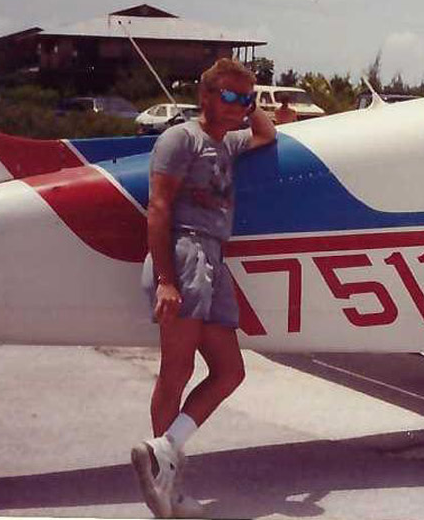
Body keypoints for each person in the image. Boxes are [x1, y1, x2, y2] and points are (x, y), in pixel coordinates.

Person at [130, 58, 277, 518]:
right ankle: (167, 489)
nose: (239, 106)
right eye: (229, 96)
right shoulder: (180, 138)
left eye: (246, 99)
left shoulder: (228, 142)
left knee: (230, 370)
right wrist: (167, 281)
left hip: (215, 256)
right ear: (205, 96)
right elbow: (157, 208)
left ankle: (163, 451)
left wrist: (247, 104)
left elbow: (267, 134)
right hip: (185, 252)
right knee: (176, 369)